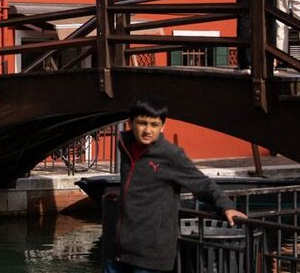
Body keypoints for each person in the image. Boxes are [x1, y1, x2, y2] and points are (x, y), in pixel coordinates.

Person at [105, 96, 246, 272]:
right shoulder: (125, 145)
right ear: (130, 123)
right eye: (142, 123)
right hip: (118, 251)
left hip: (150, 256)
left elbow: (202, 183)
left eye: (154, 125)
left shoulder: (170, 155)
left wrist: (226, 206)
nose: (148, 130)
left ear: (163, 126)